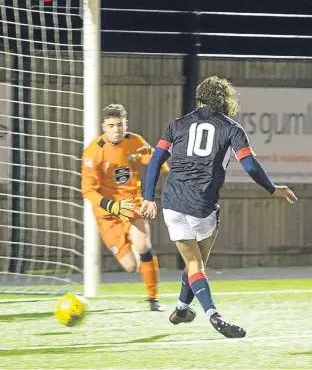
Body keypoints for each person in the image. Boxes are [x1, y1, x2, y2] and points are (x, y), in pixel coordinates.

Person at [140, 76, 297, 339]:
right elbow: (250, 165)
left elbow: (156, 160)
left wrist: (148, 198)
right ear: (225, 101)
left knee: (193, 264)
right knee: (197, 265)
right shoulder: (232, 128)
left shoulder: (177, 125)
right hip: (202, 205)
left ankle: (181, 309)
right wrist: (273, 188)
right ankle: (213, 314)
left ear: (199, 99)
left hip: (172, 202)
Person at [82, 103, 169, 311]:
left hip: (131, 203)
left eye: (120, 125)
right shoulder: (93, 152)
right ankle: (126, 249)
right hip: (107, 213)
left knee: (143, 245)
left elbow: (160, 166)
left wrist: (158, 158)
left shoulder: (135, 142)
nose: (116, 129)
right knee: (130, 266)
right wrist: (112, 205)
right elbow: (88, 192)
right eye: (111, 125)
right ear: (103, 126)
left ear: (125, 124)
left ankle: (153, 298)